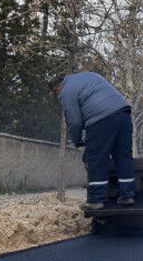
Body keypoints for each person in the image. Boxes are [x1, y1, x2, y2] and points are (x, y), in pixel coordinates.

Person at [49, 72, 135, 210]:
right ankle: (127, 196)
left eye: (56, 94)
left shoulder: (65, 92)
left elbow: (75, 122)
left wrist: (77, 140)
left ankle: (96, 200)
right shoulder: (88, 76)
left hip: (101, 120)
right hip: (124, 113)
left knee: (96, 158)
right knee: (123, 156)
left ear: (57, 89)